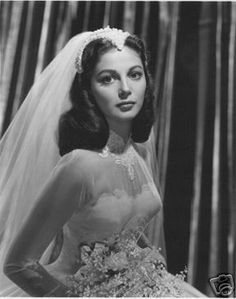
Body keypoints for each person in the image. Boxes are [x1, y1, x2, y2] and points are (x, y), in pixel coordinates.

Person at [0, 27, 205, 297]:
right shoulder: (79, 166)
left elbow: (124, 224)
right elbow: (18, 264)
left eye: (134, 75)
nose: (125, 89)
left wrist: (145, 257)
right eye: (107, 79)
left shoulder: (138, 152)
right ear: (88, 91)